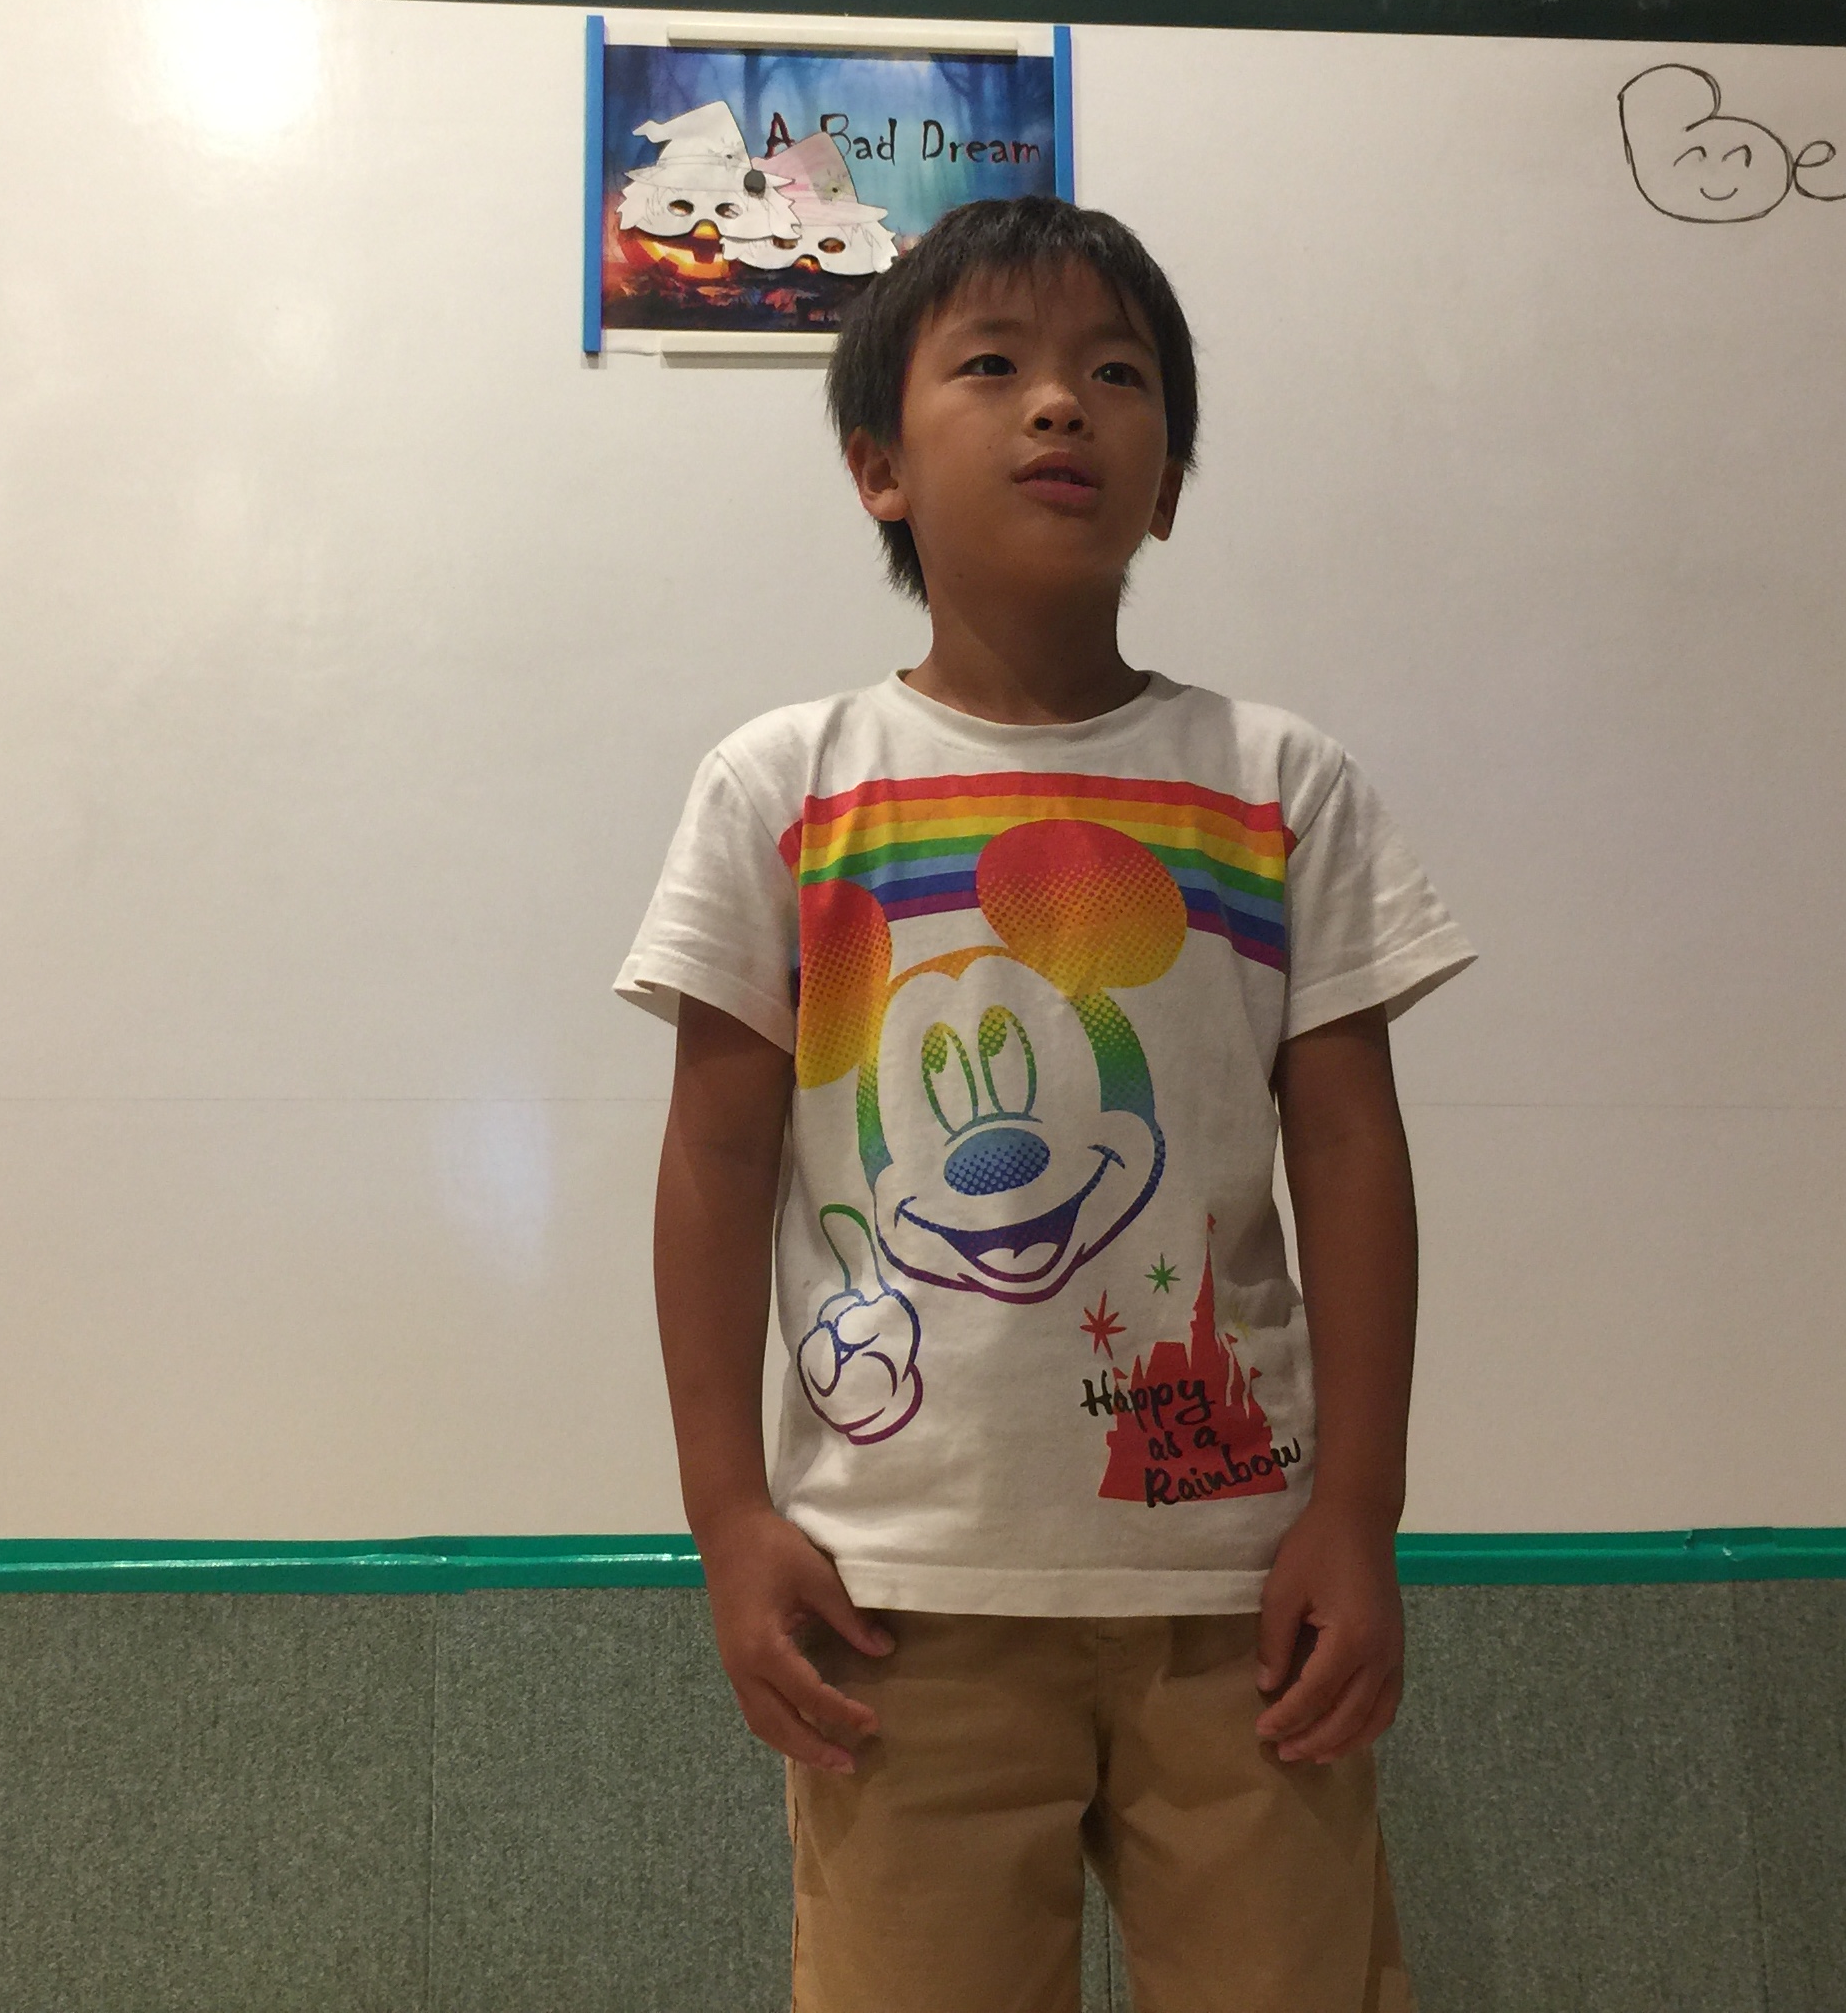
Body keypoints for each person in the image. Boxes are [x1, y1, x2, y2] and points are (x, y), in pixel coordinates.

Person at [615, 195, 1474, 2013]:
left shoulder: (1276, 784)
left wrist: (1362, 1512)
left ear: (1170, 487)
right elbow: (714, 1156)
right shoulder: (786, 786)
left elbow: (1350, 1153)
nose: (1062, 404)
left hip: (1242, 1588)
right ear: (880, 469)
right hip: (892, 1600)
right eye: (993, 366)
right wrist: (725, 1518)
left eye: (1118, 375)